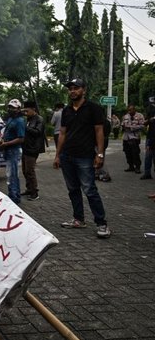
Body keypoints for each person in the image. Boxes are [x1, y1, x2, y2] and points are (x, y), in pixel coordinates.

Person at [53, 78, 111, 238]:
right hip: (67, 156)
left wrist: (100, 154)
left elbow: (99, 131)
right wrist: (58, 155)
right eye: (70, 88)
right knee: (73, 189)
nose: (72, 91)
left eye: (76, 88)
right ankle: (78, 219)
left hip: (85, 156)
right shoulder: (66, 110)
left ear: (83, 90)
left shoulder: (93, 108)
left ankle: (102, 224)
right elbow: (62, 133)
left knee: (90, 190)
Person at [0, 99, 25, 204]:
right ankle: (13, 195)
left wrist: (6, 144)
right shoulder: (10, 119)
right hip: (8, 150)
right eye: (10, 107)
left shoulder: (20, 121)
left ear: (18, 109)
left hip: (14, 151)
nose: (11, 109)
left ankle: (14, 198)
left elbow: (21, 138)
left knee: (13, 175)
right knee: (10, 174)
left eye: (13, 107)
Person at [21, 101, 45, 201]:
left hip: (33, 148)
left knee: (30, 171)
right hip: (26, 147)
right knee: (24, 170)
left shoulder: (39, 119)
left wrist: (25, 128)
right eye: (24, 111)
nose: (25, 113)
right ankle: (29, 189)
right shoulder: (28, 119)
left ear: (33, 109)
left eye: (27, 110)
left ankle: (34, 192)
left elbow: (37, 132)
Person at [121, 104, 145, 174]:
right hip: (126, 137)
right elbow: (122, 123)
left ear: (134, 109)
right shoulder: (126, 116)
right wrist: (123, 126)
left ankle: (137, 167)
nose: (129, 111)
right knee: (127, 152)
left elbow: (142, 125)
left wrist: (131, 127)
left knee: (135, 153)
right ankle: (130, 166)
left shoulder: (140, 115)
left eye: (130, 110)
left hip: (135, 137)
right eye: (128, 110)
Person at [140, 98, 155, 180]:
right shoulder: (150, 112)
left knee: (150, 155)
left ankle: (147, 173)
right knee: (148, 156)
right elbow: (146, 123)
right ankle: (147, 173)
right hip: (150, 136)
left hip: (152, 137)